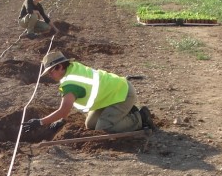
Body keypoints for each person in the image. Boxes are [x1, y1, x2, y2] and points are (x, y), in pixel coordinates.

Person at [23, 51, 156, 134]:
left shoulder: (70, 84)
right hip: (110, 96)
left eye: (51, 71)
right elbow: (69, 104)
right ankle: (125, 112)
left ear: (60, 66)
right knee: (90, 124)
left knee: (104, 128)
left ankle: (140, 117)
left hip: (123, 94)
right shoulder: (73, 68)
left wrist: (40, 122)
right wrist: (61, 119)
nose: (50, 75)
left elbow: (64, 109)